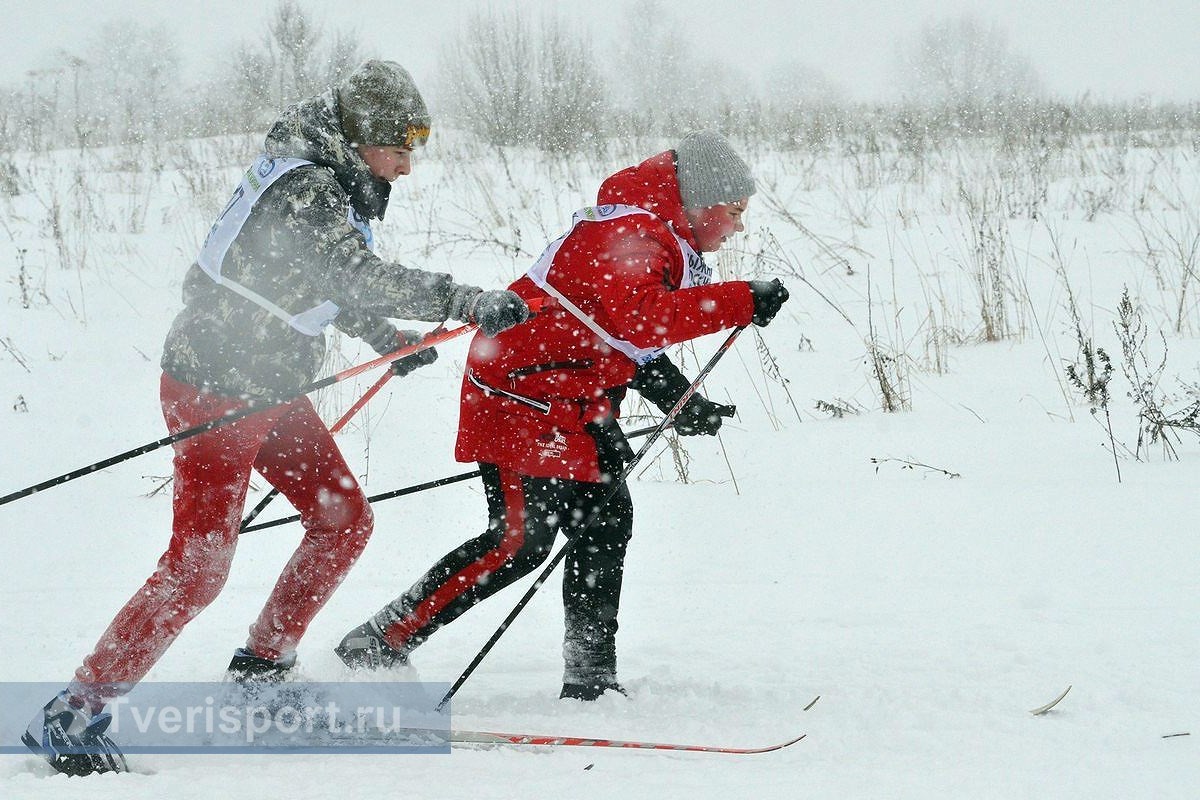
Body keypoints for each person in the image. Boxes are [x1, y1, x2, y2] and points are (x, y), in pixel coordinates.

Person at [22, 59, 530, 776]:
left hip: (263, 381)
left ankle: (263, 669)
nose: (407, 167)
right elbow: (350, 274)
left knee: (343, 518)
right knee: (199, 565)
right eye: (400, 147)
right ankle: (74, 714)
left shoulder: (320, 175)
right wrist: (463, 299)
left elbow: (307, 277)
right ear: (363, 138)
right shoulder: (311, 186)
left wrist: (387, 340)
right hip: (216, 383)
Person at [335, 130, 790, 701]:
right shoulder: (634, 234)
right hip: (517, 395)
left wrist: (681, 401)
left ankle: (591, 681)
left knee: (604, 522)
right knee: (520, 542)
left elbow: (619, 339)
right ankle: (378, 642)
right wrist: (742, 298)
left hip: (573, 399)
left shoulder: (652, 232)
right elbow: (640, 320)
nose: (738, 225)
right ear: (699, 202)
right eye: (734, 210)